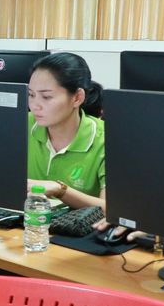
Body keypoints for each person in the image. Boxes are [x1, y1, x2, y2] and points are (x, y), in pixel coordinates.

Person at [27, 52, 105, 209]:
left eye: (46, 97)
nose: (35, 105)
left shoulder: (107, 139)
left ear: (77, 98)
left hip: (79, 225)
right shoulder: (21, 124)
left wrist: (60, 190)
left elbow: (112, 209)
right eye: (31, 95)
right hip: (25, 221)